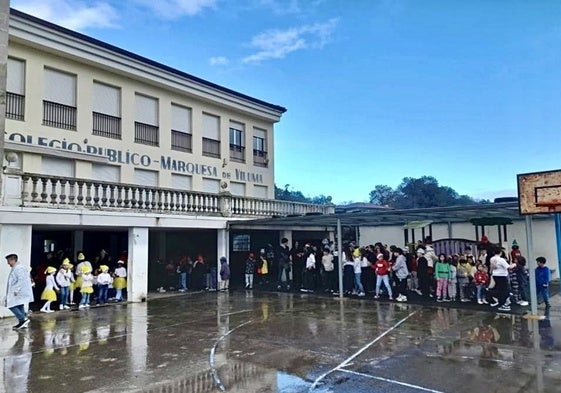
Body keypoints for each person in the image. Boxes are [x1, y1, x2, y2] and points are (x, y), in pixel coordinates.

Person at [5, 254, 34, 329]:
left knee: (10, 305)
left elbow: (21, 280)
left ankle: (23, 319)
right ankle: (22, 323)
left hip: (18, 291)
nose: (8, 263)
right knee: (19, 305)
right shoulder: (16, 267)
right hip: (17, 291)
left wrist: (16, 290)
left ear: (13, 260)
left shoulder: (19, 268)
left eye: (8, 261)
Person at [489, 247, 512, 311]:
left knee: (499, 289)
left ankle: (499, 302)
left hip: (495, 275)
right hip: (502, 275)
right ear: (501, 253)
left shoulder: (492, 258)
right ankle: (503, 304)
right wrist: (514, 264)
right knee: (505, 290)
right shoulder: (501, 259)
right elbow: (508, 267)